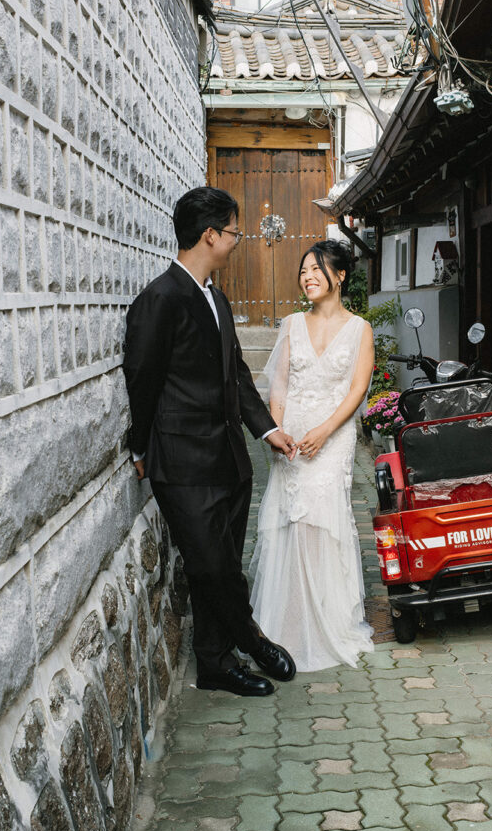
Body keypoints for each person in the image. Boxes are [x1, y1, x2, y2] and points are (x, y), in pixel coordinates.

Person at [122, 186, 297, 696]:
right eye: (234, 232)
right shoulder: (160, 299)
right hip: (183, 461)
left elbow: (236, 376)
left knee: (218, 565)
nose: (238, 240)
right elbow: (142, 378)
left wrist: (266, 429)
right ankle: (251, 637)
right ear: (210, 235)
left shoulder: (214, 297)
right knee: (210, 564)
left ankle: (216, 666)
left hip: (229, 459)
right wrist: (140, 448)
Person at [249, 240, 375, 672]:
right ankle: (288, 618)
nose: (308, 277)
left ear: (340, 276)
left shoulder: (360, 329)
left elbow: (357, 389)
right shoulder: (291, 324)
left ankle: (326, 617)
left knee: (323, 520)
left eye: (317, 269)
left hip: (333, 434)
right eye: (304, 270)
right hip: (292, 436)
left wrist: (324, 430)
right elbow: (279, 385)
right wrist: (277, 430)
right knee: (291, 519)